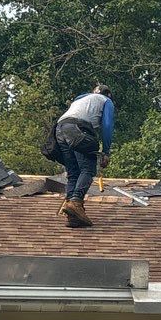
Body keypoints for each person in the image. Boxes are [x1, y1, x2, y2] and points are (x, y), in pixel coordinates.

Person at [51, 83, 114, 227]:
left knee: (74, 173)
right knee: (88, 169)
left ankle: (72, 214)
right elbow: (107, 125)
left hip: (60, 129)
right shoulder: (106, 101)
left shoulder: (81, 99)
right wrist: (106, 151)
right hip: (78, 129)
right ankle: (76, 202)